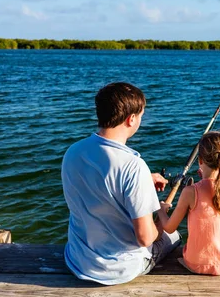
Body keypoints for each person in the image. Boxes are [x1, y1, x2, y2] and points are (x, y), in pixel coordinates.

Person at [61, 82, 181, 285]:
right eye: (141, 115)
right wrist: (162, 218)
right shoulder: (133, 166)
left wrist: (144, 181)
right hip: (118, 269)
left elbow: (100, 182)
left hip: (78, 260)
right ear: (131, 119)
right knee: (175, 236)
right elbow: (145, 238)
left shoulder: (73, 152)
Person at [158, 130, 220, 275]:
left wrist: (161, 210)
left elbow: (169, 228)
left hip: (197, 263)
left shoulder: (190, 192)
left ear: (200, 160)